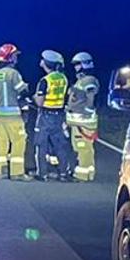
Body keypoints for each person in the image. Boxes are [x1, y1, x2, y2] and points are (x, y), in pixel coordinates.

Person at [0, 43, 30, 180]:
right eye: (15, 56)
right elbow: (23, 91)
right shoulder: (13, 73)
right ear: (9, 57)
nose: (17, 58)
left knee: (1, 142)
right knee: (19, 141)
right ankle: (17, 172)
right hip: (13, 115)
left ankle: (1, 171)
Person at [33, 49, 73, 182]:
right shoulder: (63, 78)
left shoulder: (45, 80)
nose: (40, 63)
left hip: (45, 116)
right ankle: (63, 173)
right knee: (60, 145)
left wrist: (34, 97)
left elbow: (39, 102)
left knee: (41, 145)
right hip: (59, 115)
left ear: (46, 63)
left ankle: (42, 174)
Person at [67, 51, 100, 182]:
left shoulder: (89, 80)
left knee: (83, 147)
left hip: (84, 121)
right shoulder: (81, 80)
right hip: (79, 120)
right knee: (82, 147)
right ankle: (87, 173)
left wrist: (87, 109)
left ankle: (82, 174)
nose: (76, 67)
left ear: (85, 65)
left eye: (78, 64)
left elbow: (90, 96)